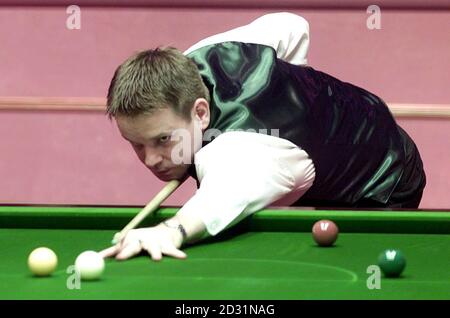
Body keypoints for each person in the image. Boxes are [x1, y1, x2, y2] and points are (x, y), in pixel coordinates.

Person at [101, 12, 426, 261]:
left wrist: (172, 230)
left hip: (384, 176)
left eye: (162, 140)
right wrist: (295, 86)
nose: (151, 160)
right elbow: (290, 25)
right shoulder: (200, 59)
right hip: (351, 121)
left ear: (200, 113)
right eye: (136, 144)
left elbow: (219, 200)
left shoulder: (248, 150)